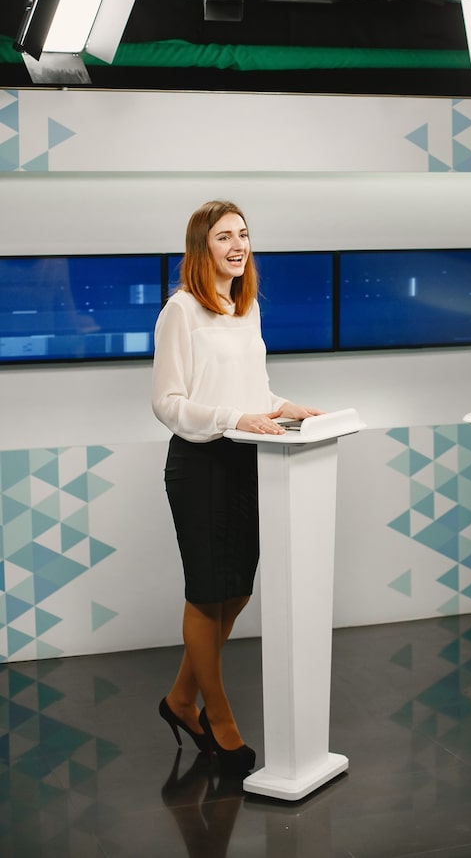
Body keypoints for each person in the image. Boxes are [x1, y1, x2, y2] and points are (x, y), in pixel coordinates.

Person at [152, 199, 322, 774]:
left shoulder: (245, 308)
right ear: (201, 246)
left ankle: (180, 699)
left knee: (237, 590)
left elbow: (250, 391)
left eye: (243, 235)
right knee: (207, 594)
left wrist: (283, 406)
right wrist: (233, 417)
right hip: (199, 464)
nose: (238, 245)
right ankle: (218, 720)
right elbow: (167, 402)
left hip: (245, 460)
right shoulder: (181, 311)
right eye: (224, 236)